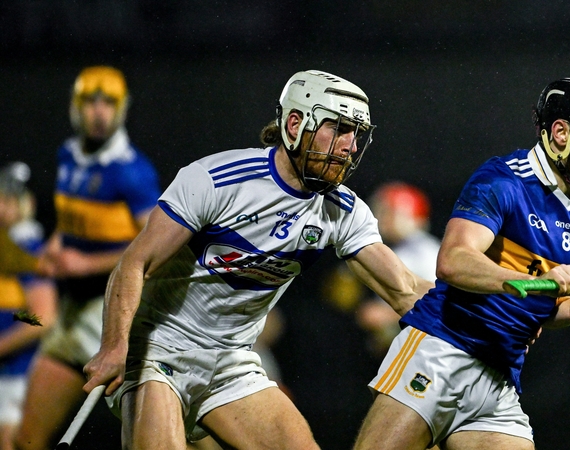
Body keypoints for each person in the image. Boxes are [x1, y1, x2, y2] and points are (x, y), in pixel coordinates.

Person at [82, 70, 434, 449]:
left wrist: (495, 303)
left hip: (231, 362)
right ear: (296, 124)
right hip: (158, 350)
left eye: (355, 134)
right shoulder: (217, 179)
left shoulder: (343, 211)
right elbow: (134, 264)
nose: (349, 145)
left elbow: (406, 290)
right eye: (339, 128)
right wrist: (115, 345)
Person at [353, 77, 570, 450]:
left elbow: (550, 302)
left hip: (501, 375)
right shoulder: (504, 179)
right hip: (442, 348)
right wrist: (536, 278)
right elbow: (453, 262)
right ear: (562, 132)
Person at [14, 66, 161, 450]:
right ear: (74, 107)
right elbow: (72, 221)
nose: (98, 112)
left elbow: (156, 248)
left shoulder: (133, 173)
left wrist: (86, 264)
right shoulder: (68, 155)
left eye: (108, 103)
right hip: (71, 310)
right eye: (90, 102)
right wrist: (56, 245)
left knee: (154, 440)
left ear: (123, 108)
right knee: (26, 437)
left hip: (109, 317)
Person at [0, 162, 58, 450]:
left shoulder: (29, 250)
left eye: (9, 200)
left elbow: (42, 317)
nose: (1, 207)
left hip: (20, 374)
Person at [356, 181, 441, 354]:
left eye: (388, 212)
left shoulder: (423, 251)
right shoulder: (401, 248)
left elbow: (439, 302)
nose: (380, 217)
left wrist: (386, 316)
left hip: (428, 346)